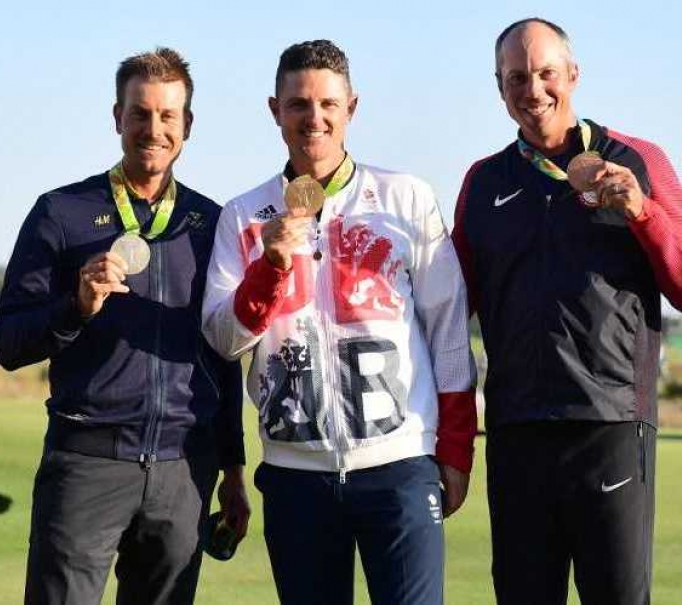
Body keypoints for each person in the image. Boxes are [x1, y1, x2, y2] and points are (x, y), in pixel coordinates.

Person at [201, 39, 476, 605]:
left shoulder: (405, 198)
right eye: (298, 104)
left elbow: (449, 331)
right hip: (295, 473)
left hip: (399, 465)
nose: (314, 118)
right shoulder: (243, 215)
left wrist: (454, 449)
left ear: (352, 107)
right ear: (275, 110)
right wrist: (270, 268)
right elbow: (225, 339)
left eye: (328, 104)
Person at [452, 18, 682, 605]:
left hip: (611, 426)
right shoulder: (483, 181)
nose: (533, 89)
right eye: (516, 77)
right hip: (517, 433)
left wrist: (644, 214)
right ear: (499, 88)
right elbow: (448, 314)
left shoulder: (637, 161)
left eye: (547, 73)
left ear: (573, 75)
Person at [0, 47, 250, 605]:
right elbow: (7, 343)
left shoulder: (211, 223)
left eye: (167, 116)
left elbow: (223, 352)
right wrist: (76, 307)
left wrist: (232, 467)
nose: (152, 129)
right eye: (139, 114)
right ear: (117, 117)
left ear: (188, 125)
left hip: (184, 470)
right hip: (86, 464)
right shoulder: (61, 212)